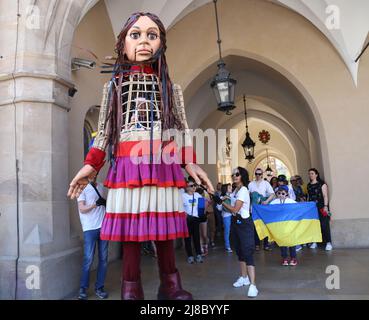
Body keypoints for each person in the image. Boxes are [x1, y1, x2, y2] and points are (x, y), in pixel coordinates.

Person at [67, 12, 214, 300]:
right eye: (136, 34)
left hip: (162, 166)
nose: (144, 41)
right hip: (126, 167)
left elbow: (179, 131)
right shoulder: (113, 88)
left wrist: (190, 162)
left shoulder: (171, 89)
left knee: (164, 230)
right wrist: (90, 166)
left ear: (161, 43)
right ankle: (130, 287)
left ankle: (170, 284)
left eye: (152, 34)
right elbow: (105, 133)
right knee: (131, 231)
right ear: (123, 44)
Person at [214, 167, 258, 298]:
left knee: (247, 252)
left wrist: (222, 201)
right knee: (239, 251)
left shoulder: (243, 190)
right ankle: (244, 277)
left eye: (237, 174)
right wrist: (217, 198)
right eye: (233, 174)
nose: (234, 176)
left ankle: (253, 285)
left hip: (244, 224)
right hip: (236, 223)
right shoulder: (235, 191)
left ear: (242, 176)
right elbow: (228, 205)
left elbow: (234, 209)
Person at [77, 177, 109, 300]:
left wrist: (104, 202)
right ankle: (83, 289)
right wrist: (95, 204)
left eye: (95, 171)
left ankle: (99, 288)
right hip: (89, 228)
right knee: (88, 259)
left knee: (103, 260)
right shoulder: (81, 187)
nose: (93, 174)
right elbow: (82, 208)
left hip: (104, 228)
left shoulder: (100, 186)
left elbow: (106, 205)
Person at [270, 185, 298, 266]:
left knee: (292, 242)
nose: (281, 195)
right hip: (280, 226)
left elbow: (298, 208)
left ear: (286, 194)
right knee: (282, 242)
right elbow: (269, 209)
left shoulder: (291, 201)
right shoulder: (274, 202)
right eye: (279, 193)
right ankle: (284, 258)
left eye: (283, 193)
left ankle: (293, 258)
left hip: (290, 226)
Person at [248, 168, 275, 251]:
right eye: (256, 174)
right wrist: (248, 207)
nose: (258, 175)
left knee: (265, 225)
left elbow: (272, 194)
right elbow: (248, 197)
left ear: (262, 175)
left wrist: (266, 201)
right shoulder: (251, 184)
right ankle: (257, 244)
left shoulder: (266, 183)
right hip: (254, 208)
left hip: (263, 207)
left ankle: (266, 244)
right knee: (256, 226)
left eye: (259, 174)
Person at [307, 168, 333, 251]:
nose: (310, 175)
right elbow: (309, 196)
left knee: (324, 224)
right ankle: (315, 242)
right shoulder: (309, 185)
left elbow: (325, 196)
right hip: (312, 207)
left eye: (312, 173)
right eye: (309, 174)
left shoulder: (322, 184)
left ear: (316, 174)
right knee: (314, 224)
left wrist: (325, 206)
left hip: (321, 206)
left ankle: (328, 242)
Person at [182, 180, 204, 264]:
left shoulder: (198, 195)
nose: (194, 187)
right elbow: (180, 207)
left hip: (196, 219)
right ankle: (190, 256)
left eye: (194, 185)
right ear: (187, 188)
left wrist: (201, 214)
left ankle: (198, 255)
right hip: (187, 219)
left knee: (196, 237)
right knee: (187, 238)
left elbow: (201, 207)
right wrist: (185, 215)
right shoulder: (183, 196)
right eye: (191, 186)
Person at [217, 183, 233, 252]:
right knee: (227, 231)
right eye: (229, 188)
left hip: (234, 215)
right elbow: (219, 208)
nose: (231, 188)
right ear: (225, 189)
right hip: (226, 216)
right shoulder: (222, 197)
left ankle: (234, 245)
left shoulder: (233, 195)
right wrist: (223, 199)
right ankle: (227, 246)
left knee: (234, 230)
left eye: (231, 187)